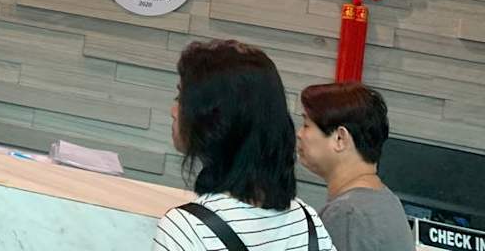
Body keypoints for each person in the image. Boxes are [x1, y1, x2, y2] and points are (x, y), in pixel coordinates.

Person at [154, 39, 333, 251]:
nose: (173, 111)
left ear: (215, 120)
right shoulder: (309, 223)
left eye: (180, 98)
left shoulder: (186, 229)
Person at [297, 83, 413, 251]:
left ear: (340, 138)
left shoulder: (347, 215)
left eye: (306, 125)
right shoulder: (387, 202)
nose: (299, 134)